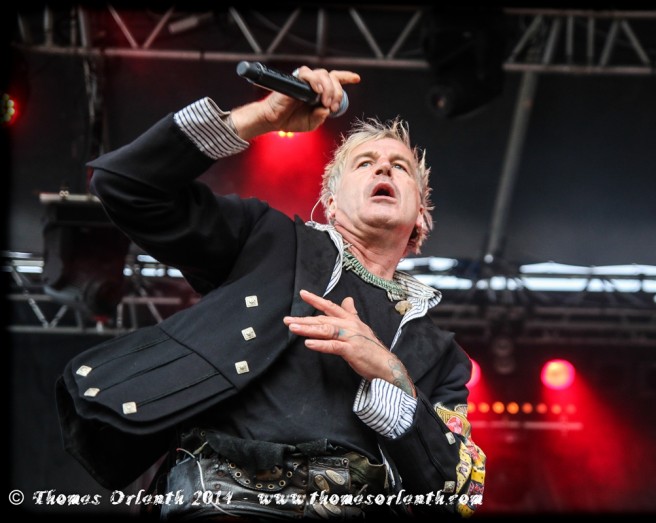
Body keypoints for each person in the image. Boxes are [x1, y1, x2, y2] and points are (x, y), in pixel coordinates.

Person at [55, 64, 486, 520]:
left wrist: (391, 373)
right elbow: (123, 185)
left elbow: (461, 497)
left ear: (421, 215)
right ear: (332, 203)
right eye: (365, 163)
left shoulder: (441, 355)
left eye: (400, 167)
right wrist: (258, 118)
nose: (383, 167)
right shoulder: (269, 240)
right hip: (226, 505)